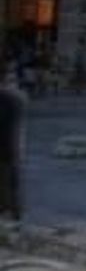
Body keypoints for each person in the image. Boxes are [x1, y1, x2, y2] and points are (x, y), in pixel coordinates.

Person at [0, 64, 27, 221]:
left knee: (8, 180)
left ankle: (12, 212)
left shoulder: (11, 99)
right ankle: (13, 211)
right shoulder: (15, 99)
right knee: (10, 181)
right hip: (11, 149)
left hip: (7, 149)